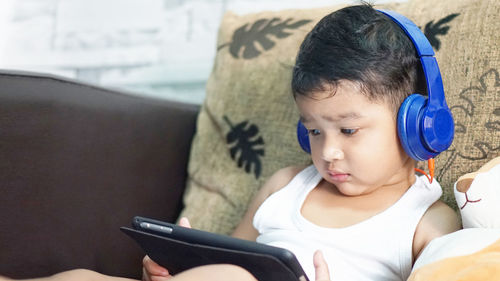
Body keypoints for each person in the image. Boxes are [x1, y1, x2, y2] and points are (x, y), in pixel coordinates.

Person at [1, 4, 460, 281]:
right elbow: (224, 259)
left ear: (419, 124)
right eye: (314, 130)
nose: (328, 152)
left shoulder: (425, 222)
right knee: (81, 277)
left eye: (349, 130)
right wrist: (176, 268)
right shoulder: (285, 187)